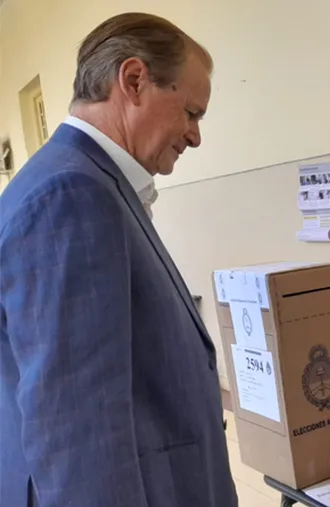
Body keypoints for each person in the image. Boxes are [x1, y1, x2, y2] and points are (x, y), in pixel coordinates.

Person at [0, 13, 238, 507]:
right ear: (133, 81)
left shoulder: (88, 180)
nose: (195, 137)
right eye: (191, 113)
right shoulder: (70, 194)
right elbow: (77, 435)